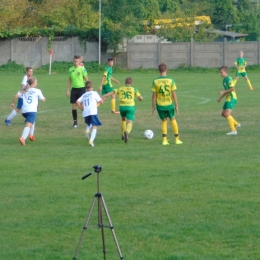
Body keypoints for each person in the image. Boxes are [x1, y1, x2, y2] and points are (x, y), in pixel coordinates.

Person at [102, 77, 143, 143]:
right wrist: (140, 99)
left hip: (122, 107)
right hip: (130, 107)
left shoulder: (120, 88)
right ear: (131, 83)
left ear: (125, 83)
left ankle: (122, 135)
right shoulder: (134, 89)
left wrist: (104, 96)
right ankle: (127, 131)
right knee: (130, 122)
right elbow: (140, 98)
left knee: (123, 119)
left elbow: (112, 92)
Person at [151, 63, 183, 145]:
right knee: (173, 119)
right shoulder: (171, 80)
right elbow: (174, 94)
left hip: (160, 105)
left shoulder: (155, 81)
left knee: (164, 120)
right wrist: (176, 105)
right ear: (166, 70)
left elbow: (154, 96)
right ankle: (177, 139)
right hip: (169, 104)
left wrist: (153, 106)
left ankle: (164, 140)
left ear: (158, 71)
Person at [19, 77, 46, 146]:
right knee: (28, 125)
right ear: (33, 84)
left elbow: (19, 96)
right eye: (36, 82)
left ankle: (31, 135)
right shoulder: (37, 91)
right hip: (32, 110)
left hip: (24, 111)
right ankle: (23, 138)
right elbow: (43, 99)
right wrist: (44, 98)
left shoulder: (25, 90)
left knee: (32, 122)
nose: (37, 83)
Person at [76, 81, 103, 147]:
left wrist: (82, 108)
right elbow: (101, 101)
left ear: (86, 88)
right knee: (95, 126)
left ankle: (87, 130)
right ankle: (91, 141)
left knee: (90, 123)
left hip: (85, 112)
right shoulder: (94, 93)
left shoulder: (84, 95)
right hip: (93, 111)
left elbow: (77, 101)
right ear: (92, 87)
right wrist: (99, 103)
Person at [217, 66, 241, 135]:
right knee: (223, 114)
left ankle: (233, 131)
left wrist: (223, 92)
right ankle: (236, 124)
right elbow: (226, 91)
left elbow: (233, 89)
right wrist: (220, 98)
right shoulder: (224, 80)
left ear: (225, 72)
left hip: (232, 98)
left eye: (221, 72)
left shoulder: (229, 79)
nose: (220, 74)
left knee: (227, 114)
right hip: (228, 98)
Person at [66, 55, 88, 128]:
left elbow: (86, 79)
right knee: (74, 105)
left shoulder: (82, 69)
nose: (76, 63)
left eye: (77, 61)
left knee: (81, 105)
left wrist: (89, 89)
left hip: (81, 88)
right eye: (75, 61)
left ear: (79, 62)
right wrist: (68, 90)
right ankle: (75, 122)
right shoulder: (70, 69)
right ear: (73, 61)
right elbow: (70, 80)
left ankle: (87, 117)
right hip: (74, 89)